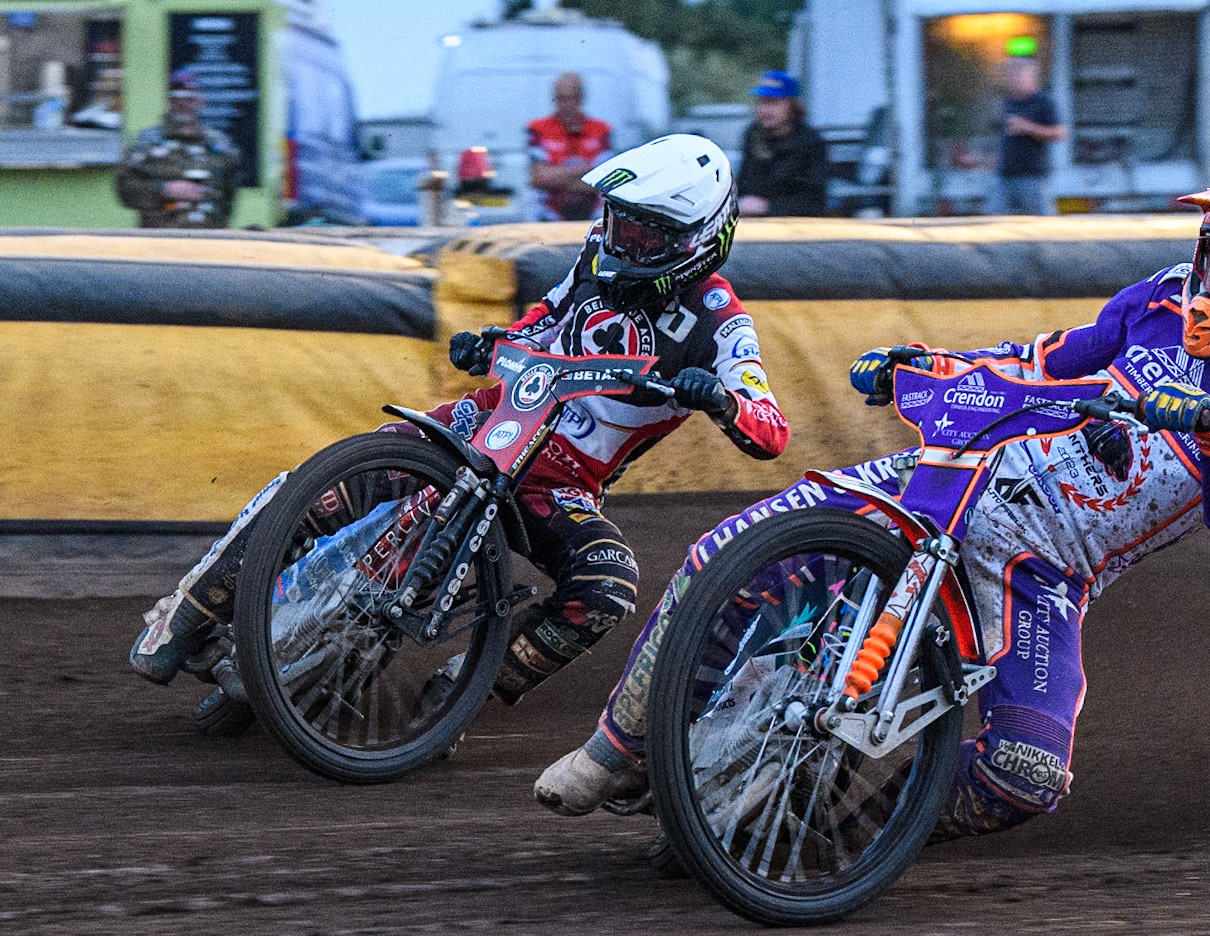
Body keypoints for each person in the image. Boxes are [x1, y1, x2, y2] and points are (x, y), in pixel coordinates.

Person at [535, 172, 1210, 846]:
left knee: (1024, 780)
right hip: (963, 472)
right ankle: (616, 751)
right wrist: (928, 362)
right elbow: (1041, 357)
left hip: (1043, 571)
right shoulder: (1159, 299)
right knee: (732, 547)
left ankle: (832, 837)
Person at [129, 135, 790, 719]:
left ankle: (465, 689)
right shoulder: (595, 258)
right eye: (618, 223)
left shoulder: (718, 320)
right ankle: (188, 613)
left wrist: (724, 402)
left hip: (560, 484)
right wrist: (495, 340)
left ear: (696, 239)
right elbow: (545, 316)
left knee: (608, 586)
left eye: (643, 235)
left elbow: (771, 426)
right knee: (326, 484)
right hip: (488, 422)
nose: (621, 241)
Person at [114, 71, 239, 229]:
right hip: (161, 239)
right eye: (176, 98)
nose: (182, 104)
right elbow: (124, 189)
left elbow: (229, 195)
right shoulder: (147, 143)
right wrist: (164, 189)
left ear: (200, 101)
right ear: (169, 102)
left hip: (208, 239)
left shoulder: (219, 145)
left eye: (189, 98)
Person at [736, 71, 828, 217]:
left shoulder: (811, 142)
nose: (764, 110)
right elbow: (745, 183)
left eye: (773, 103)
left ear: (791, 106)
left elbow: (814, 201)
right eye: (761, 102)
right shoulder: (753, 135)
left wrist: (767, 207)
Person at [527, 72, 612, 222]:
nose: (566, 105)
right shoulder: (538, 128)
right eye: (561, 98)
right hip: (550, 216)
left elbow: (604, 182)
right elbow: (538, 178)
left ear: (581, 99)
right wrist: (586, 170)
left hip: (592, 215)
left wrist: (557, 175)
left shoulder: (601, 130)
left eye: (571, 98)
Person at [990, 56, 1066, 217]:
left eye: (1018, 74)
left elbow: (1060, 133)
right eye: (1011, 75)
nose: (1014, 79)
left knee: (1041, 223)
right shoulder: (1008, 102)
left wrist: (1027, 128)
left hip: (1031, 177)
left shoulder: (1043, 102)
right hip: (1004, 176)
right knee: (992, 220)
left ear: (1031, 76)